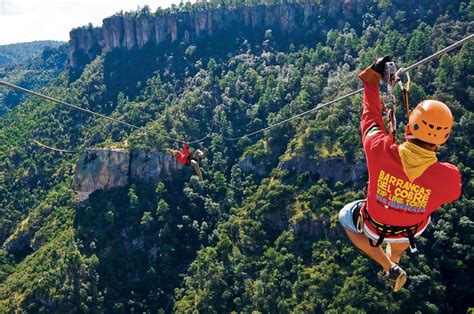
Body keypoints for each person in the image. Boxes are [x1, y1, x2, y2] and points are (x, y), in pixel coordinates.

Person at [338, 56, 462, 292]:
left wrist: (371, 81)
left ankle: (388, 266)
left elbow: (371, 119)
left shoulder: (379, 149)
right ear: (443, 138)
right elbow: (449, 191)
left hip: (375, 226)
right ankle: (395, 259)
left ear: (410, 125)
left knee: (346, 217)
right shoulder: (450, 178)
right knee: (402, 230)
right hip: (410, 229)